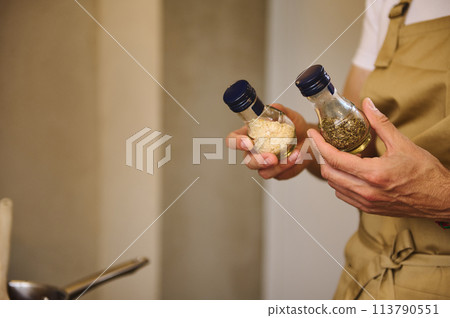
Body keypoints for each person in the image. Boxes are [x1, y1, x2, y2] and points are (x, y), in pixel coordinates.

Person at [227, 0, 450, 300]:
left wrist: (440, 197)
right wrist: (306, 143)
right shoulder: (388, 4)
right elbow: (356, 146)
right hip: (366, 271)